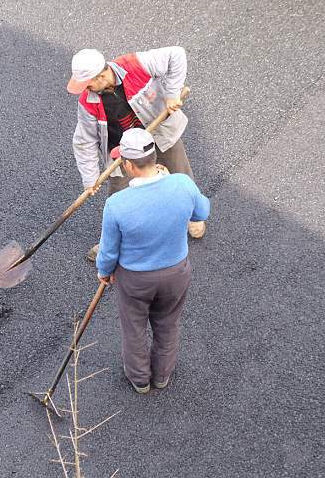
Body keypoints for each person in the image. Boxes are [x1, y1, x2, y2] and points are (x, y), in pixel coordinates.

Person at [95, 128, 210, 394]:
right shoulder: (182, 184)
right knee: (168, 323)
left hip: (135, 279)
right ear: (154, 157)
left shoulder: (117, 204)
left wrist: (104, 271)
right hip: (176, 272)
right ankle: (162, 375)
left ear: (128, 165)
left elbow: (109, 251)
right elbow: (202, 210)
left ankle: (140, 380)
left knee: (134, 328)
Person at [67, 47, 206, 261]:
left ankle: (193, 214)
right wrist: (90, 179)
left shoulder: (134, 65)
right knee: (118, 199)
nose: (87, 89)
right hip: (122, 150)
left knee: (180, 173)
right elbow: (84, 141)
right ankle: (110, 244)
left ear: (102, 75)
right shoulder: (88, 102)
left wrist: (171, 94)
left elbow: (176, 54)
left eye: (89, 84)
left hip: (158, 132)